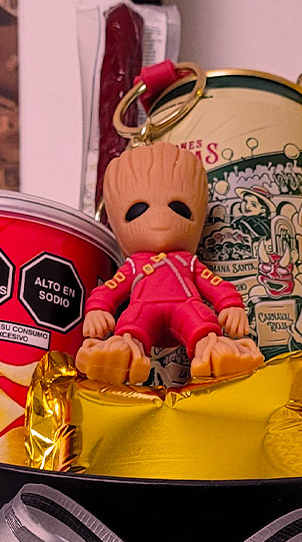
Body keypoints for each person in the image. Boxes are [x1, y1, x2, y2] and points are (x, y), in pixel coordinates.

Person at [76, 142, 264, 385]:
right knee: (131, 325)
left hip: (186, 306)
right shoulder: (134, 265)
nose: (160, 218)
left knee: (202, 324)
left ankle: (217, 354)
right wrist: (98, 309)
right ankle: (122, 355)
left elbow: (214, 283)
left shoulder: (188, 263)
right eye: (137, 211)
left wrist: (230, 304)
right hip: (143, 309)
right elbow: (112, 287)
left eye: (179, 209)